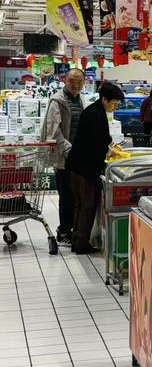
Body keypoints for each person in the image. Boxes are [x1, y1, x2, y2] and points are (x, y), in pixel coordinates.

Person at [66, 82, 125, 254]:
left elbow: (98, 139)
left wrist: (108, 147)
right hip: (86, 169)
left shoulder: (93, 110)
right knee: (87, 205)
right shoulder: (97, 114)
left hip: (76, 166)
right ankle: (81, 244)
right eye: (113, 103)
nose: (114, 107)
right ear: (105, 99)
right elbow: (97, 143)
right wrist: (109, 151)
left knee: (79, 205)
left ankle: (76, 240)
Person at [40, 68, 85, 248]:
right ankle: (64, 231)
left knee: (74, 195)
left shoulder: (79, 100)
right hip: (63, 156)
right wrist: (69, 149)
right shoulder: (57, 101)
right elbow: (54, 132)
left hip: (76, 156)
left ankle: (71, 229)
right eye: (72, 81)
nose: (75, 84)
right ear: (65, 80)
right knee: (66, 195)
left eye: (79, 81)